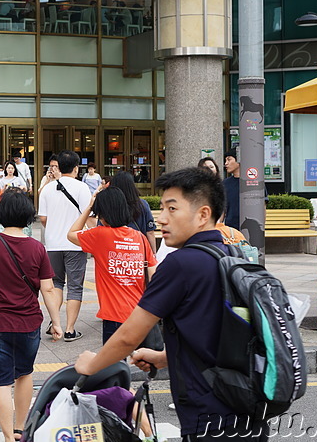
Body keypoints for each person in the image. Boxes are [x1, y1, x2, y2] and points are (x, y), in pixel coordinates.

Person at [75, 167, 269, 441]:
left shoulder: (181, 263)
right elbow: (222, 336)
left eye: (172, 209)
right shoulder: (230, 254)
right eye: (162, 208)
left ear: (203, 214)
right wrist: (164, 358)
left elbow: (129, 335)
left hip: (209, 415)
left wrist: (91, 366)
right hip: (246, 407)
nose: (162, 218)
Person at [0, 191, 63, 442]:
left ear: (1, 215)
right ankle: (20, 429)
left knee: (1, 382)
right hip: (28, 322)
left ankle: (7, 437)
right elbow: (48, 288)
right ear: (28, 217)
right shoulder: (37, 248)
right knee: (24, 373)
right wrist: (57, 323)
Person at [67, 186, 157, 344]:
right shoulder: (140, 238)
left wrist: (89, 207)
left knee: (113, 367)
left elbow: (71, 234)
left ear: (103, 213)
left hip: (114, 316)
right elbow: (154, 276)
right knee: (143, 365)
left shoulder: (99, 235)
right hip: (140, 315)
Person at [38, 150, 92, 342]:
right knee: (75, 287)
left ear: (58, 167)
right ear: (76, 168)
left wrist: (54, 226)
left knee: (56, 284)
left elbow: (43, 218)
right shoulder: (82, 188)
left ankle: (55, 324)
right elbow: (89, 217)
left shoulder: (47, 189)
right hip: (76, 244)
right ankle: (69, 329)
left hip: (52, 244)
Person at [112, 170, 157, 253]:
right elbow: (150, 232)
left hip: (115, 252)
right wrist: (153, 254)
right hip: (138, 251)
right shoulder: (142, 204)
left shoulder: (109, 206)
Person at [222, 150, 241, 229]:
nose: (226, 163)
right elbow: (222, 208)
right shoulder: (225, 183)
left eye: (229, 159)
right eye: (225, 160)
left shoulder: (254, 182)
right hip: (230, 230)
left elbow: (262, 206)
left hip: (250, 228)